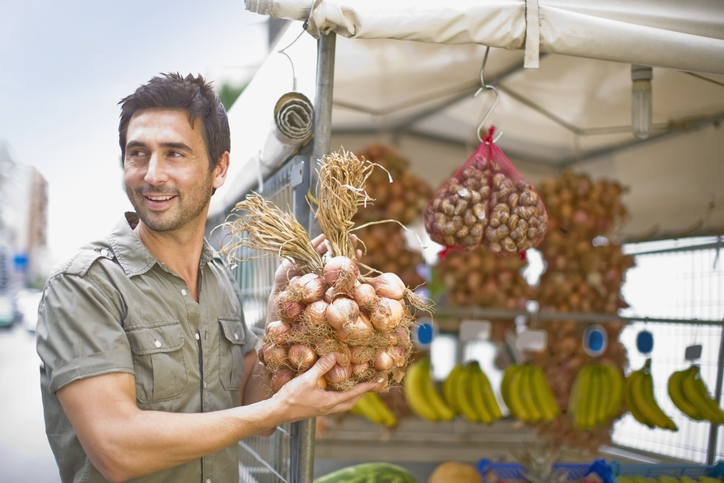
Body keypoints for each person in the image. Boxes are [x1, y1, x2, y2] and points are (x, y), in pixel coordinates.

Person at [36, 72, 380, 483]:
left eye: (175, 154)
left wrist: (279, 319)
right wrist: (278, 409)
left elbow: (251, 407)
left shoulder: (219, 279)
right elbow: (117, 449)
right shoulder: (84, 285)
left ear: (220, 169)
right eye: (138, 153)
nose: (152, 175)